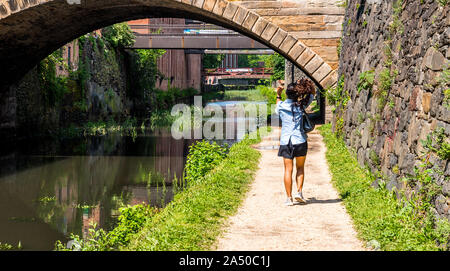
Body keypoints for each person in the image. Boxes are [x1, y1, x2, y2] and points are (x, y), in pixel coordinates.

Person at [275, 78, 316, 206]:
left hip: (286, 141)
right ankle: (299, 192)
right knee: (300, 168)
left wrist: (278, 93)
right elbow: (312, 93)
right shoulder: (301, 105)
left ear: (287, 94)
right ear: (298, 94)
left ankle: (289, 198)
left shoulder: (281, 106)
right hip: (300, 140)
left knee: (288, 170)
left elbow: (278, 102)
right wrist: (304, 85)